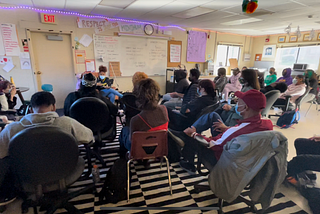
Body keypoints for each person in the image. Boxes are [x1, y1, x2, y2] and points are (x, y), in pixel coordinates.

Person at [0, 91, 94, 205]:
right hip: (65, 172)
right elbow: (89, 138)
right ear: (54, 107)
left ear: (30, 109)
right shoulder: (67, 123)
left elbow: (1, 153)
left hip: (27, 176)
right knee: (80, 159)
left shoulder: (12, 129)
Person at [171, 90, 273, 173]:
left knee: (194, 137)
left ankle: (189, 161)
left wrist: (193, 134)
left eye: (238, 102)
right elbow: (241, 132)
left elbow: (213, 145)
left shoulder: (237, 131)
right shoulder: (267, 124)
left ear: (245, 107)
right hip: (245, 159)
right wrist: (227, 129)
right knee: (213, 116)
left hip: (224, 159)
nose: (236, 103)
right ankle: (185, 134)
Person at [119, 78, 169, 162]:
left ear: (138, 96)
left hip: (138, 150)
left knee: (124, 130)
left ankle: (122, 161)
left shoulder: (136, 120)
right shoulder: (164, 109)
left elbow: (132, 141)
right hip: (159, 148)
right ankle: (145, 162)